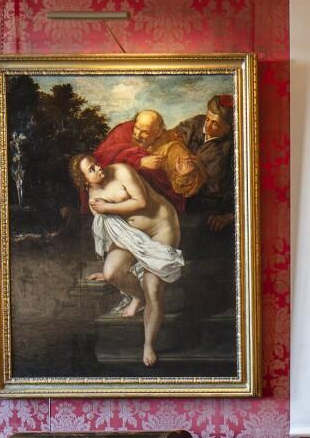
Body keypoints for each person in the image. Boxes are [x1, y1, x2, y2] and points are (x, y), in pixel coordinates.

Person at [70, 154, 184, 367]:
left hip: (161, 229)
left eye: (96, 163)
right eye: (91, 170)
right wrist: (107, 272)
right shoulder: (93, 194)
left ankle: (148, 344)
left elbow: (141, 201)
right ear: (85, 180)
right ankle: (138, 298)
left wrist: (108, 207)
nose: (98, 168)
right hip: (133, 237)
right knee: (113, 272)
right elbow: (112, 228)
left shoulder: (122, 170)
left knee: (153, 288)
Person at [93, 109, 203, 211]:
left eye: (144, 132)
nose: (137, 134)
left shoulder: (172, 147)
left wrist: (184, 175)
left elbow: (184, 187)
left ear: (158, 133)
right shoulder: (122, 132)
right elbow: (102, 157)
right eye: (136, 127)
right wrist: (139, 162)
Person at [175, 95, 237, 231]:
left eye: (215, 123)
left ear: (229, 127)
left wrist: (230, 216)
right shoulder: (195, 123)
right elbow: (173, 139)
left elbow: (241, 185)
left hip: (207, 210)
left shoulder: (232, 147)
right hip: (178, 196)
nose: (207, 125)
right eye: (208, 119)